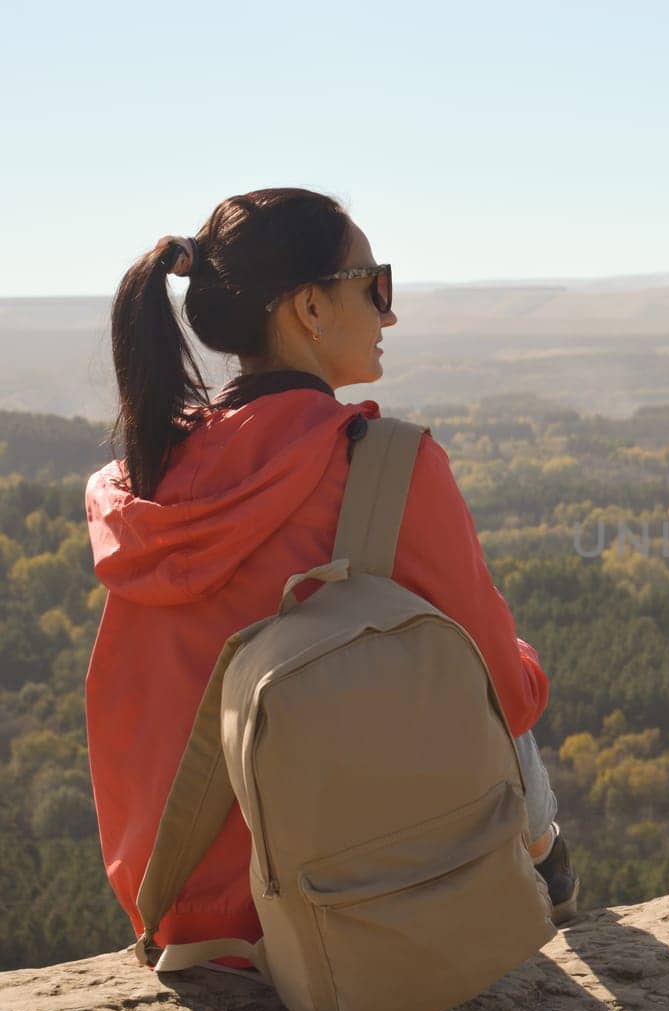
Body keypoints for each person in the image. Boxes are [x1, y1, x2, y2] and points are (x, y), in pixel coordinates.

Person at [84, 187, 577, 967]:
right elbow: (509, 699)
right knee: (492, 670)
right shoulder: (382, 464)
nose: (389, 313)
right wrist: (517, 659)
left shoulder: (141, 481)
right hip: (343, 915)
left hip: (178, 913)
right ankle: (551, 877)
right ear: (309, 309)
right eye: (374, 284)